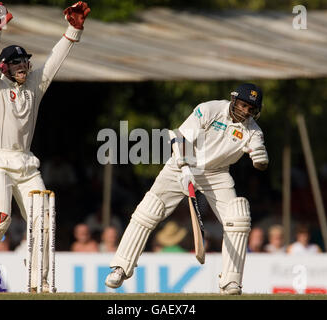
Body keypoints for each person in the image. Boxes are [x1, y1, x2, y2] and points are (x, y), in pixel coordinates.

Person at [0, 1, 91, 293]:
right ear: (4, 67)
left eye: (25, 62)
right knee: (0, 217)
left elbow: (54, 62)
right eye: (16, 62)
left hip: (25, 163)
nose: (23, 66)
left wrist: (73, 29)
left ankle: (40, 279)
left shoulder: (35, 85)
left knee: (44, 221)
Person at [105, 83, 269, 295]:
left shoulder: (253, 130)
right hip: (180, 165)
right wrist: (184, 167)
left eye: (251, 109)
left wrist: (259, 155)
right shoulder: (210, 109)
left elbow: (258, 153)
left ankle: (231, 282)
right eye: (243, 105)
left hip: (216, 174)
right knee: (148, 210)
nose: (245, 111)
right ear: (234, 100)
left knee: (238, 217)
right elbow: (180, 136)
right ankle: (121, 267)